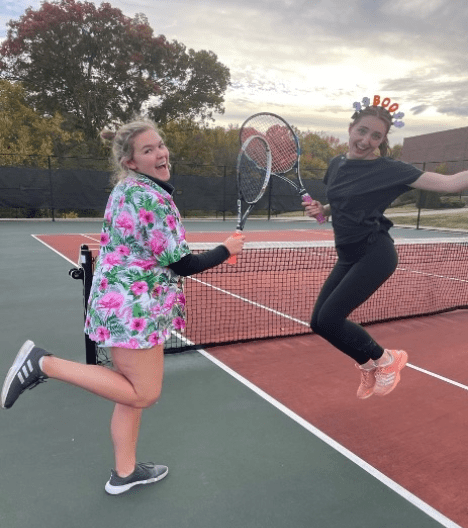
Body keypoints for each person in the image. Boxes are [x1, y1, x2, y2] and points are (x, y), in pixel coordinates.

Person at [1, 119, 245, 494]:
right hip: (135, 309)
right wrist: (226, 249)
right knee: (144, 393)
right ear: (131, 161)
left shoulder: (128, 188)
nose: (161, 153)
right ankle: (43, 363)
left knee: (130, 393)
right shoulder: (150, 197)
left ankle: (125, 473)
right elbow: (181, 263)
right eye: (148, 150)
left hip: (126, 304)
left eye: (160, 145)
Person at [303, 96, 468, 399]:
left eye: (375, 136)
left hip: (375, 254)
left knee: (330, 318)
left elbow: (450, 184)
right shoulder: (336, 164)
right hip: (348, 255)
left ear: (382, 140)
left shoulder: (390, 169)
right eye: (362, 131)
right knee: (318, 323)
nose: (365, 140)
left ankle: (388, 360)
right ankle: (367, 365)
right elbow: (340, 204)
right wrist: (322, 210)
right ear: (351, 128)